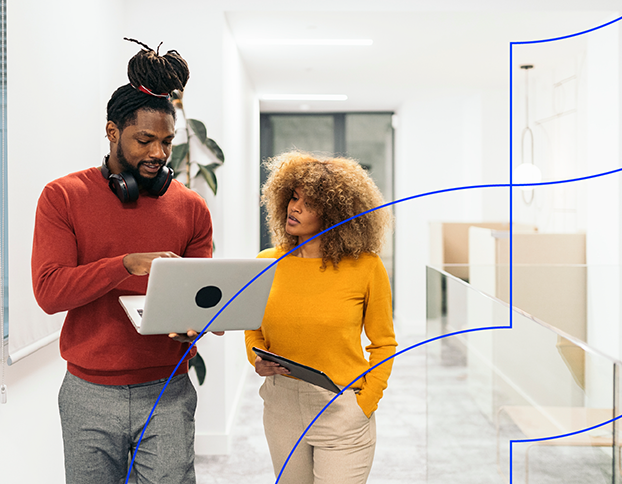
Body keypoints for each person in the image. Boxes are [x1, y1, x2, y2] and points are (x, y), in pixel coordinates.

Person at [32, 39, 213, 484]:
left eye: (167, 143)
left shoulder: (191, 208)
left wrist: (198, 319)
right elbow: (50, 292)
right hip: (88, 395)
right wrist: (126, 265)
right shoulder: (63, 197)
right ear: (112, 132)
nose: (158, 154)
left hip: (167, 392)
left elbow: (198, 296)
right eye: (144, 140)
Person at [245, 151, 398, 484]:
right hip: (281, 404)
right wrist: (256, 359)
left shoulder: (366, 266)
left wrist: (364, 404)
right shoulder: (266, 262)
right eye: (294, 197)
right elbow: (253, 325)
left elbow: (384, 343)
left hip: (341, 406)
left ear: (334, 213)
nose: (294, 207)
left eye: (309, 203)